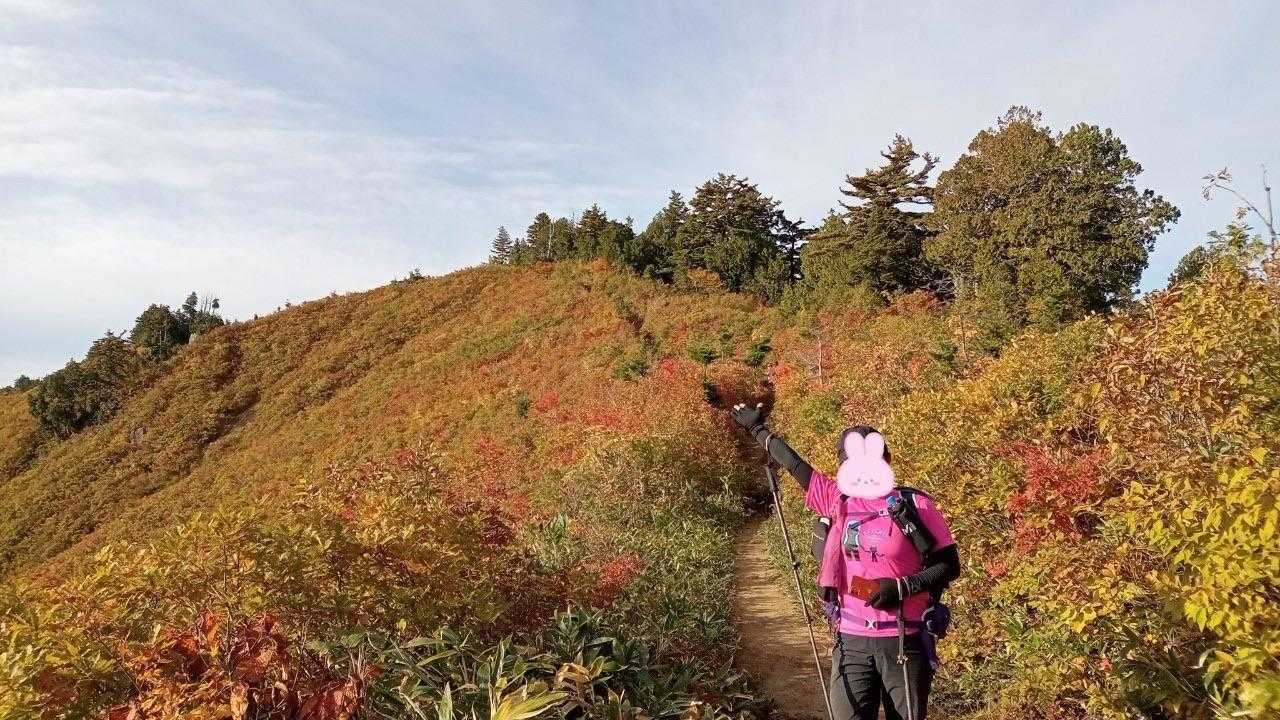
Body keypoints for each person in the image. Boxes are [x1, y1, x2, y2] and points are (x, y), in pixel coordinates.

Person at [731, 402, 960, 720]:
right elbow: (796, 466)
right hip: (851, 641)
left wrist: (901, 587)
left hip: (904, 640)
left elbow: (949, 566)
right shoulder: (838, 500)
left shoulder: (915, 505)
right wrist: (758, 430)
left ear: (887, 461)